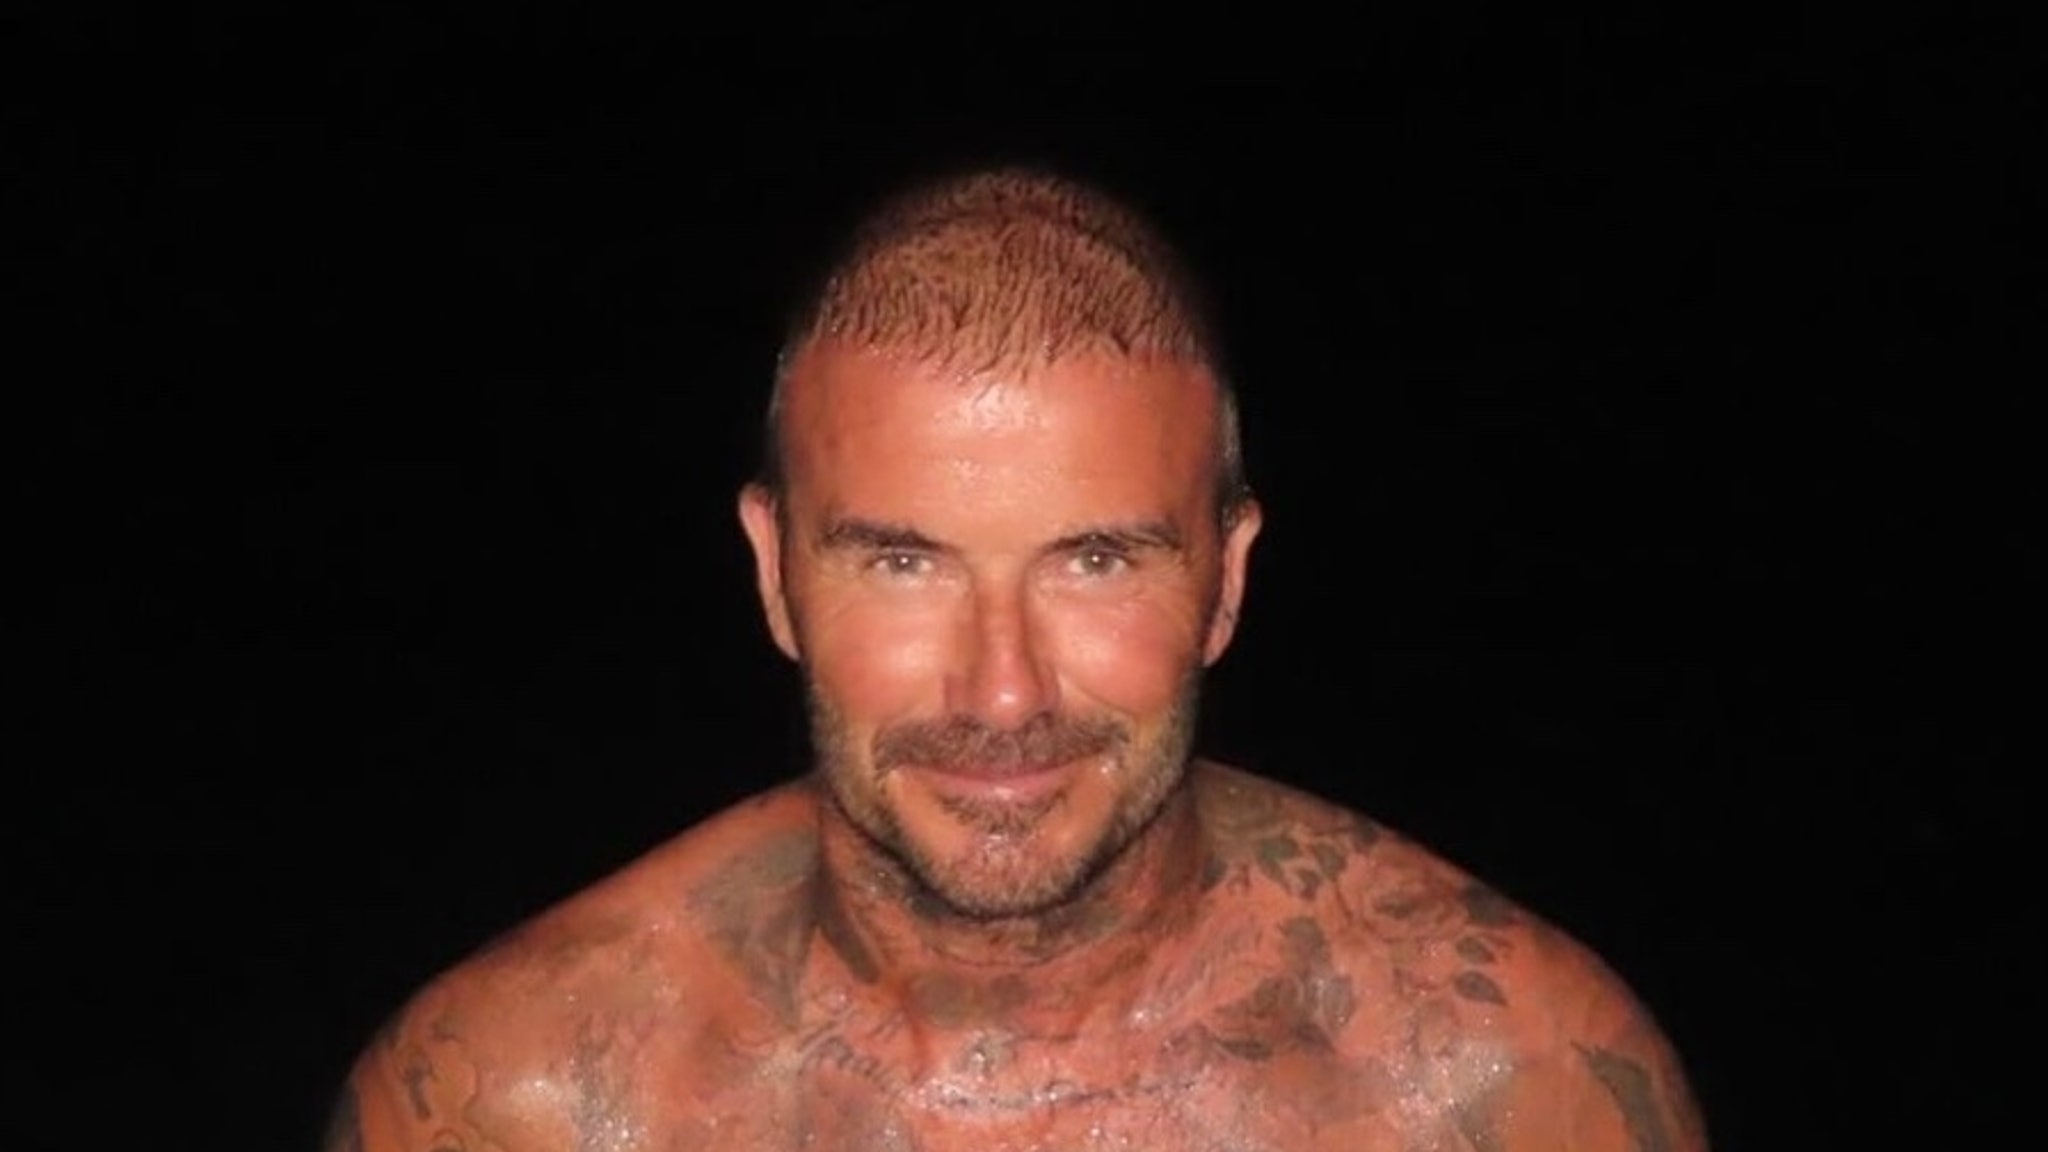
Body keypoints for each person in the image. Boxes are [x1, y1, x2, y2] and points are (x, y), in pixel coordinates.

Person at [325, 167, 1709, 1151]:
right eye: (904, 562)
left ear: (1226, 580)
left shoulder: (1507, 1089)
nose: (1003, 693)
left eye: (1096, 562)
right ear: (774, 572)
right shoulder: (517, 1104)